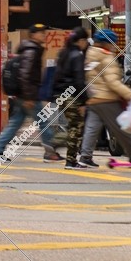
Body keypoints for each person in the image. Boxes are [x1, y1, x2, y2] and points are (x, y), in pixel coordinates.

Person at [0, 23, 59, 162]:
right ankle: (50, 152)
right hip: (28, 95)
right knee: (43, 121)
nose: (43, 36)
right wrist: (29, 96)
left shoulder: (30, 49)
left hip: (24, 94)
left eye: (43, 33)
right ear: (33, 35)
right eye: (40, 33)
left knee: (15, 123)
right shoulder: (31, 51)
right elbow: (25, 74)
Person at [78, 28, 131, 167]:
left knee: (92, 128)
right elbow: (112, 82)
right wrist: (130, 95)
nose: (113, 46)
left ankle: (85, 156)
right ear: (106, 43)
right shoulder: (106, 57)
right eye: (112, 43)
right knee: (122, 129)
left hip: (93, 98)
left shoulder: (90, 54)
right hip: (107, 99)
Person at [53, 28, 90, 169]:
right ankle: (70, 160)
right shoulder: (77, 55)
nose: (86, 43)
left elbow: (56, 76)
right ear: (81, 41)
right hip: (72, 95)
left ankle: (58, 145)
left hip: (61, 95)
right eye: (86, 40)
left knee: (71, 126)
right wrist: (83, 101)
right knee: (76, 127)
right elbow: (79, 81)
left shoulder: (64, 53)